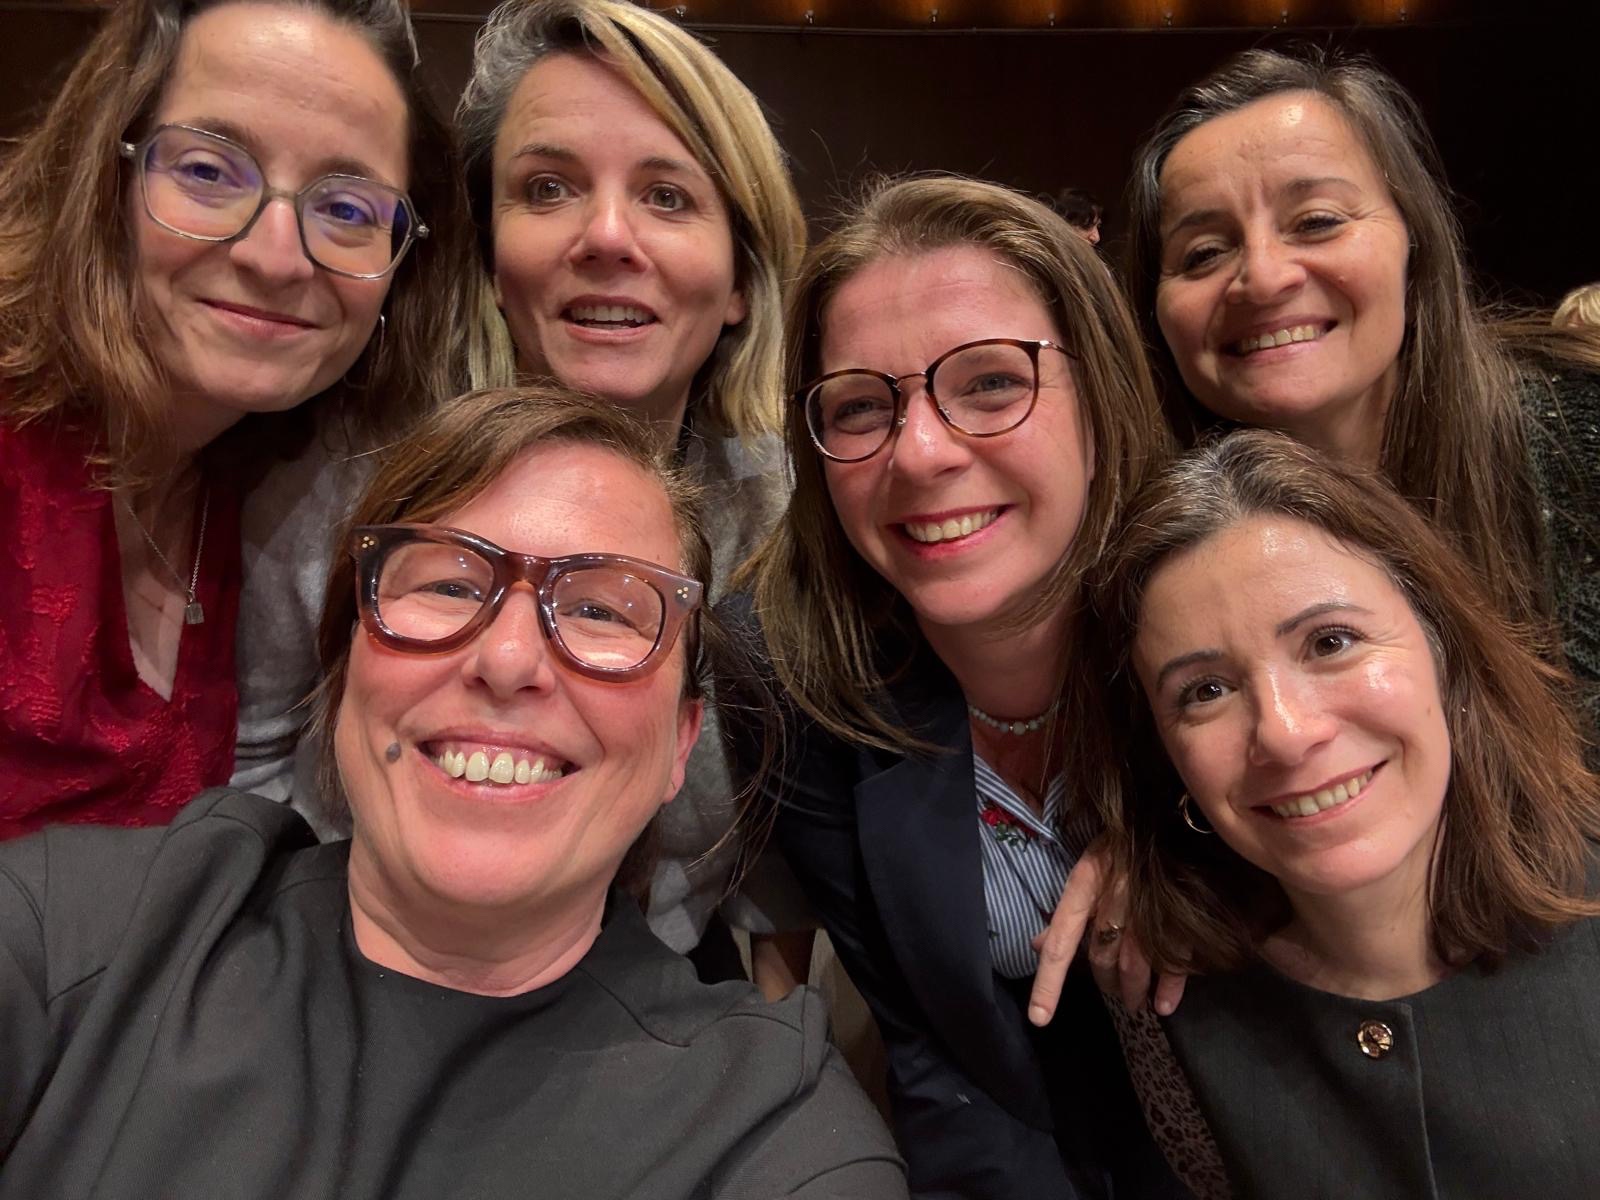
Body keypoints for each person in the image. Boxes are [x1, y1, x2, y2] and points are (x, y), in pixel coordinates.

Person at [0, 385, 908, 1200]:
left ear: (680, 743)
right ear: (343, 672)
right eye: (446, 584)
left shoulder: (770, 1133)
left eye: (600, 609)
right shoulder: (75, 935)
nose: (507, 660)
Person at [726, 174, 1182, 1198]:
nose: (921, 453)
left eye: (989, 383)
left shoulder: (1232, 613)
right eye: (860, 405)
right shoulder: (789, 676)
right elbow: (946, 1062)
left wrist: (1186, 849)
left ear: (1102, 394)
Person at [1086, 429, 1600, 1198]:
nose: (1284, 733)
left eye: (1331, 641)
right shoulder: (1161, 1012)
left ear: (1444, 650)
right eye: (1206, 691)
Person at [0, 0, 472, 836]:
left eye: (348, 209)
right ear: (104, 180)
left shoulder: (252, 470)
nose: (275, 258)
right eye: (209, 172)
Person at [455, 0, 812, 984]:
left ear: (739, 280)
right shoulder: (370, 497)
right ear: (490, 257)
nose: (607, 236)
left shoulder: (786, 524)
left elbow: (777, 866)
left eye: (666, 196)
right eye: (548, 188)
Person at [1124, 46, 1600, 726]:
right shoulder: (1140, 553)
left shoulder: (1581, 430)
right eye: (1203, 254)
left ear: (1416, 243)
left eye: (1317, 222)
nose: (1263, 277)